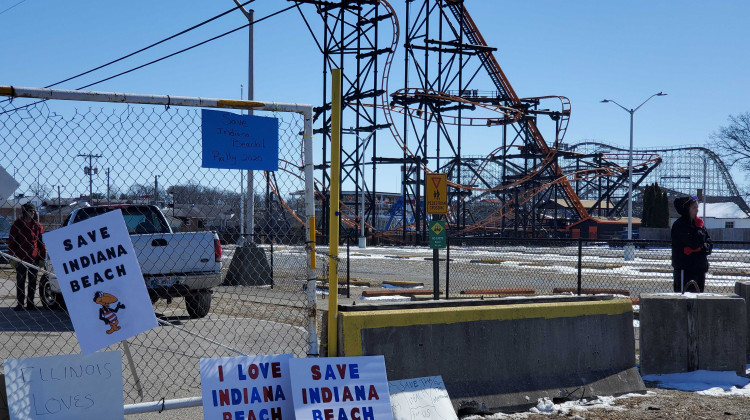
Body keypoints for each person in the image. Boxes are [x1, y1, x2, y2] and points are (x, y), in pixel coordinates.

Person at [8, 202, 46, 310]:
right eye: (30, 210)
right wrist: (13, 258)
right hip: (20, 258)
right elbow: (11, 243)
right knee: (20, 281)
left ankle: (30, 303)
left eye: (33, 211)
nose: (32, 213)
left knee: (33, 281)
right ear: (25, 212)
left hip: (34, 258)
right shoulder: (17, 225)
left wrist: (42, 258)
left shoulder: (37, 226)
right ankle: (20, 303)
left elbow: (41, 243)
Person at [671, 196, 712, 293]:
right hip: (685, 270)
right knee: (685, 302)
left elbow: (709, 245)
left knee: (698, 302)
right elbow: (694, 243)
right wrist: (698, 231)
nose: (697, 210)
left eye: (697, 207)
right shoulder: (680, 225)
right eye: (694, 207)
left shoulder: (699, 224)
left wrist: (700, 248)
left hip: (700, 269)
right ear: (687, 209)